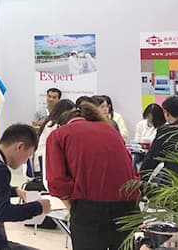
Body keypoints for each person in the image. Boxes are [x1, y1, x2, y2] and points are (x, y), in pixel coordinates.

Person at [46, 102, 139, 250]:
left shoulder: (59, 134)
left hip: (90, 207)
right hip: (128, 205)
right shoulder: (111, 130)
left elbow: (57, 181)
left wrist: (74, 208)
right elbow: (130, 169)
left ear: (62, 124)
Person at [34, 99, 75, 180]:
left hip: (45, 160)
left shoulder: (51, 123)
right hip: (43, 162)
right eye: (71, 113)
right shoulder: (53, 125)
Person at [141, 95, 178, 177]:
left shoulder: (166, 131)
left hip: (174, 179)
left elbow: (151, 159)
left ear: (167, 113)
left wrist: (141, 178)